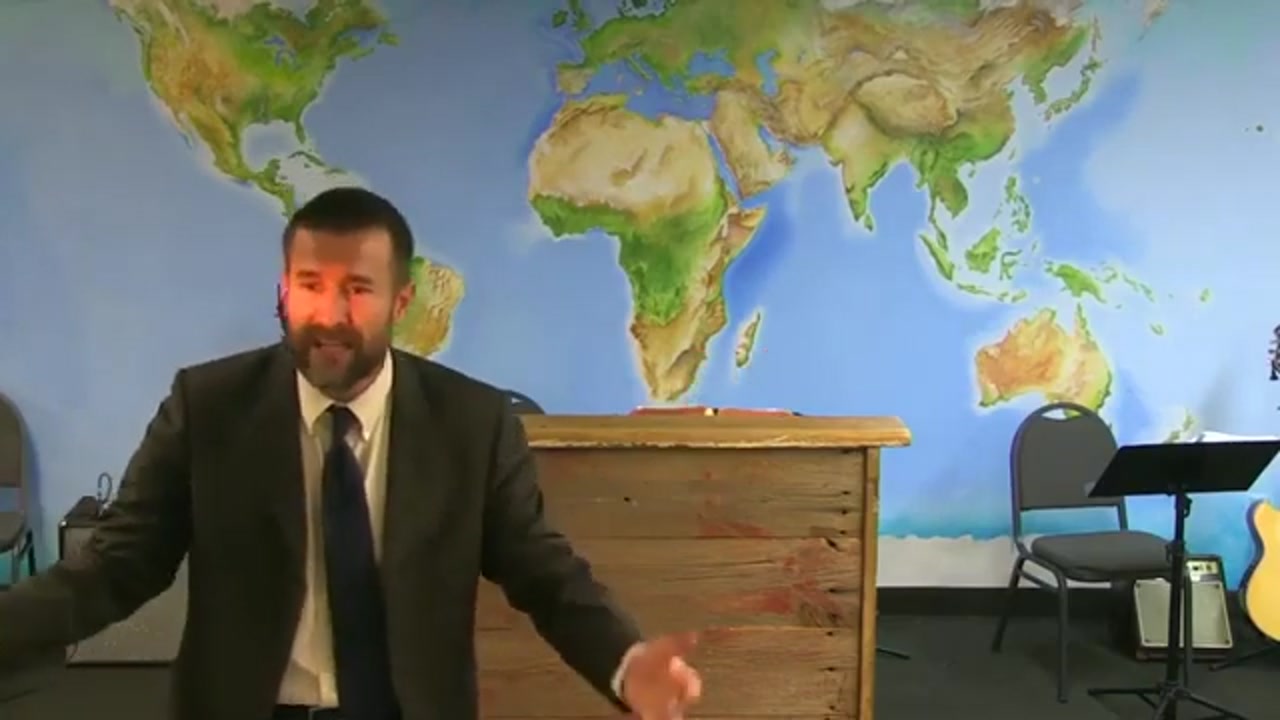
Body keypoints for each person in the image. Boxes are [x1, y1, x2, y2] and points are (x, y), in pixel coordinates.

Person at [0, 187, 703, 720]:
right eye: (310, 285)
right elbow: (115, 566)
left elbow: (544, 573)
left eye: (357, 291)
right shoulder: (207, 408)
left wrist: (624, 661)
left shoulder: (473, 424)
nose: (330, 316)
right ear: (284, 289)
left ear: (401, 301)